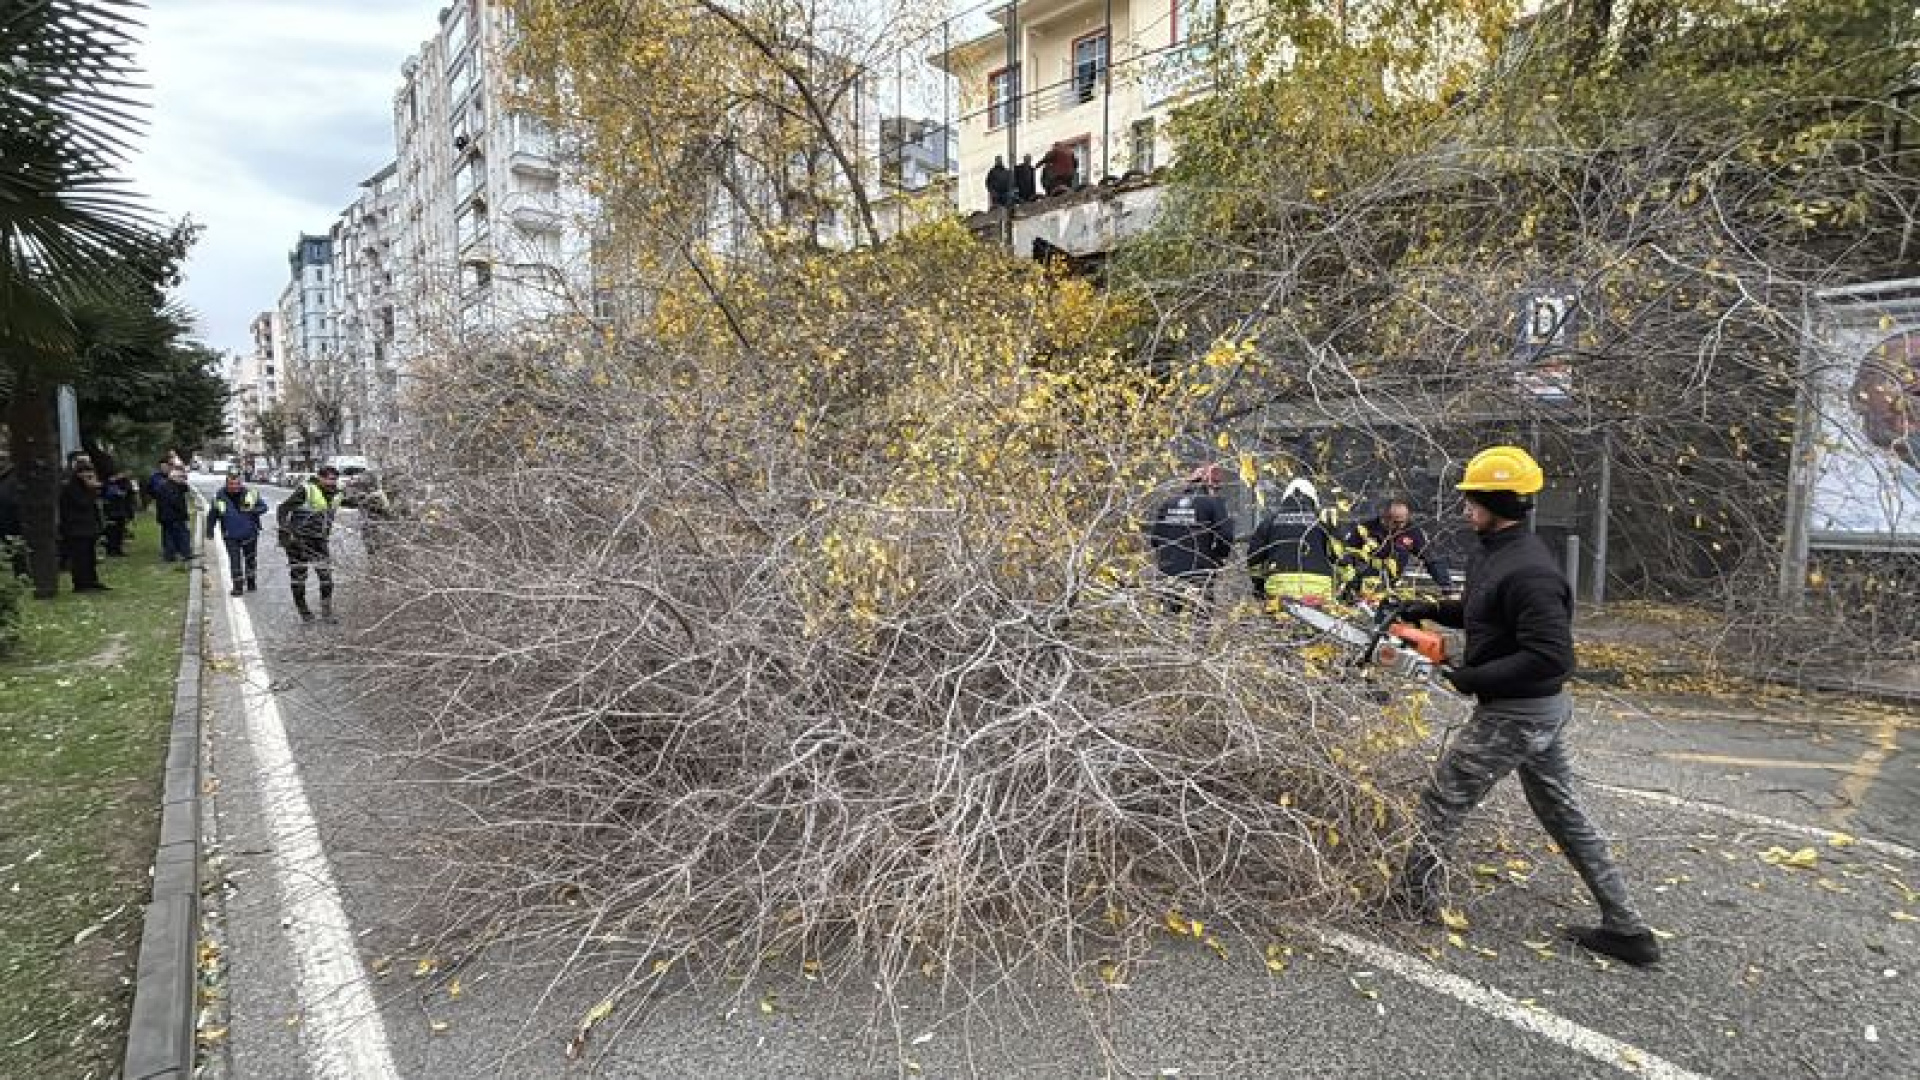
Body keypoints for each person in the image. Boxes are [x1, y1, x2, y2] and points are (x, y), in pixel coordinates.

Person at [1390, 446, 1659, 967]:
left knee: (1441, 801)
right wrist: (1427, 609)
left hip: (1518, 713)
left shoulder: (1531, 571)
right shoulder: (1493, 549)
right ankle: (1627, 929)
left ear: (1499, 500)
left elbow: (1550, 657)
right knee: (1563, 812)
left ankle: (1411, 902)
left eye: (1474, 499)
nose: (1466, 507)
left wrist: (1471, 678)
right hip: (1534, 713)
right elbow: (1483, 609)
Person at [1146, 463, 1234, 612]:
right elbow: (1225, 535)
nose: (1217, 492)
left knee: (1168, 619)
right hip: (1199, 572)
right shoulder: (1213, 503)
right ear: (1209, 485)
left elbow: (1155, 539)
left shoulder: (1168, 503)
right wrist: (1218, 557)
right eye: (1217, 487)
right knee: (1201, 618)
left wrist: (1169, 555)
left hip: (1169, 571)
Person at [1246, 477, 1343, 606]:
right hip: (1319, 591)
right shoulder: (1323, 522)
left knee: (1280, 624)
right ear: (1313, 501)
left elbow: (1254, 559)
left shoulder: (1270, 521)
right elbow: (1341, 557)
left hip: (1279, 589)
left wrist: (1259, 586)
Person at [1343, 497, 1456, 599]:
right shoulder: (1365, 529)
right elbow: (1345, 555)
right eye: (1396, 522)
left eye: (1404, 521)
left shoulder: (1412, 531)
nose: (1401, 526)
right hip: (1361, 584)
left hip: (1390, 587)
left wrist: (1447, 586)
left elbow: (1432, 560)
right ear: (1384, 518)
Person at [278, 465, 341, 622]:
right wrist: (286, 530)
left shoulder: (337, 494)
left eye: (334, 479)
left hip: (319, 541)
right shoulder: (306, 490)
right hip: (298, 541)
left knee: (326, 578)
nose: (331, 482)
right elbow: (283, 509)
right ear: (320, 478)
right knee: (299, 577)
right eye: (328, 479)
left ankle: (326, 612)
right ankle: (303, 611)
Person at [206, 472, 267, 597]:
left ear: (241, 483)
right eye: (231, 484)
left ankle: (251, 582)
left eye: (237, 483)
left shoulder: (251, 494)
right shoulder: (219, 497)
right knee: (235, 561)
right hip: (230, 535)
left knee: (250, 559)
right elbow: (212, 515)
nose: (235, 486)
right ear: (226, 484)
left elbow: (264, 508)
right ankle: (238, 587)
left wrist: (252, 510)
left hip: (250, 533)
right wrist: (209, 530)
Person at [58, 463, 108, 592]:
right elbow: (83, 503)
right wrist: (91, 489)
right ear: (79, 474)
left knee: (90, 556)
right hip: (75, 528)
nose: (90, 477)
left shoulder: (85, 488)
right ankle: (81, 584)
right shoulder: (71, 487)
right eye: (87, 474)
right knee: (80, 558)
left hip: (88, 527)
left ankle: (92, 581)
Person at [155, 467, 194, 565]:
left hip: (168, 516)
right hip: (173, 516)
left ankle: (173, 554)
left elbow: (185, 488)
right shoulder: (169, 487)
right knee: (179, 534)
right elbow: (175, 502)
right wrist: (184, 513)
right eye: (180, 477)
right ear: (174, 477)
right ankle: (182, 553)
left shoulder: (173, 486)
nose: (182, 479)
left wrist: (183, 482)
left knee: (171, 535)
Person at [100, 470, 136, 557]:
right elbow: (105, 493)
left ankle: (118, 549)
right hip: (111, 510)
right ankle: (111, 550)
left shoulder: (125, 482)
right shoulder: (108, 483)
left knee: (120, 530)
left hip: (121, 509)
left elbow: (127, 493)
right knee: (112, 531)